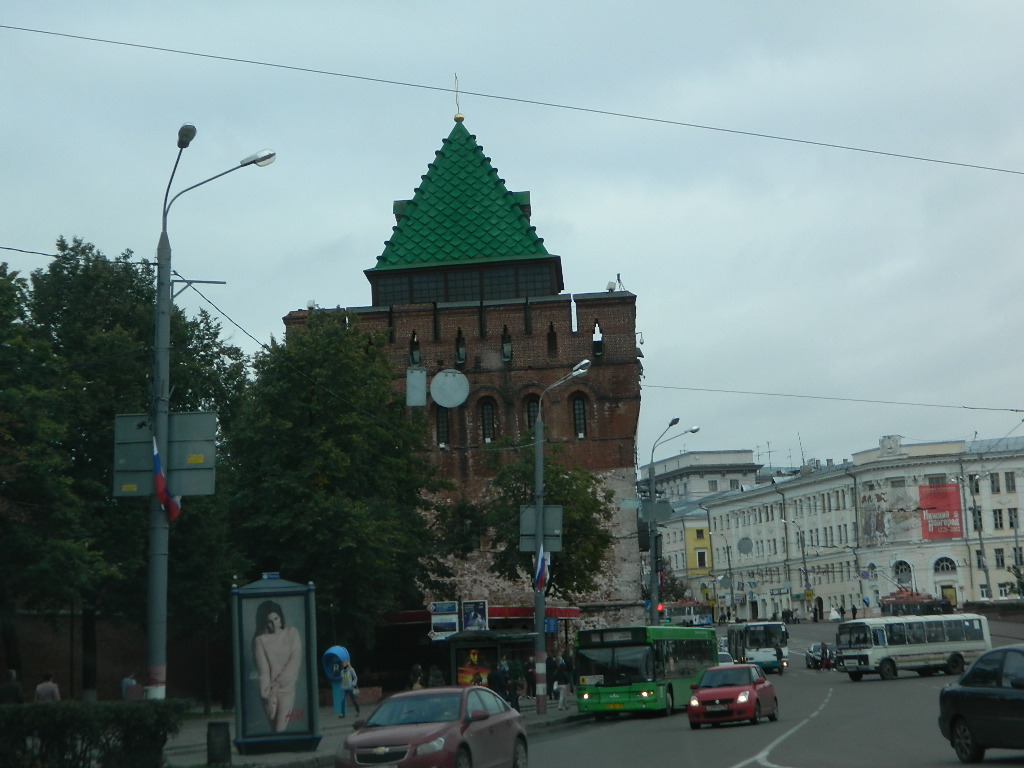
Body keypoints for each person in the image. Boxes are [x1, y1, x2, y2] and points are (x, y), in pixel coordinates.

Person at [252, 600, 302, 731]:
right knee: (274, 729)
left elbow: (294, 662)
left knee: (280, 729)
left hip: (286, 689)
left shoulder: (292, 633)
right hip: (269, 692)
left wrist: (278, 684)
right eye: (269, 621)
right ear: (264, 623)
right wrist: (266, 694)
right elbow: (263, 670)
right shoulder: (260, 640)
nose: (274, 624)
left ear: (280, 617)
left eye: (276, 618)